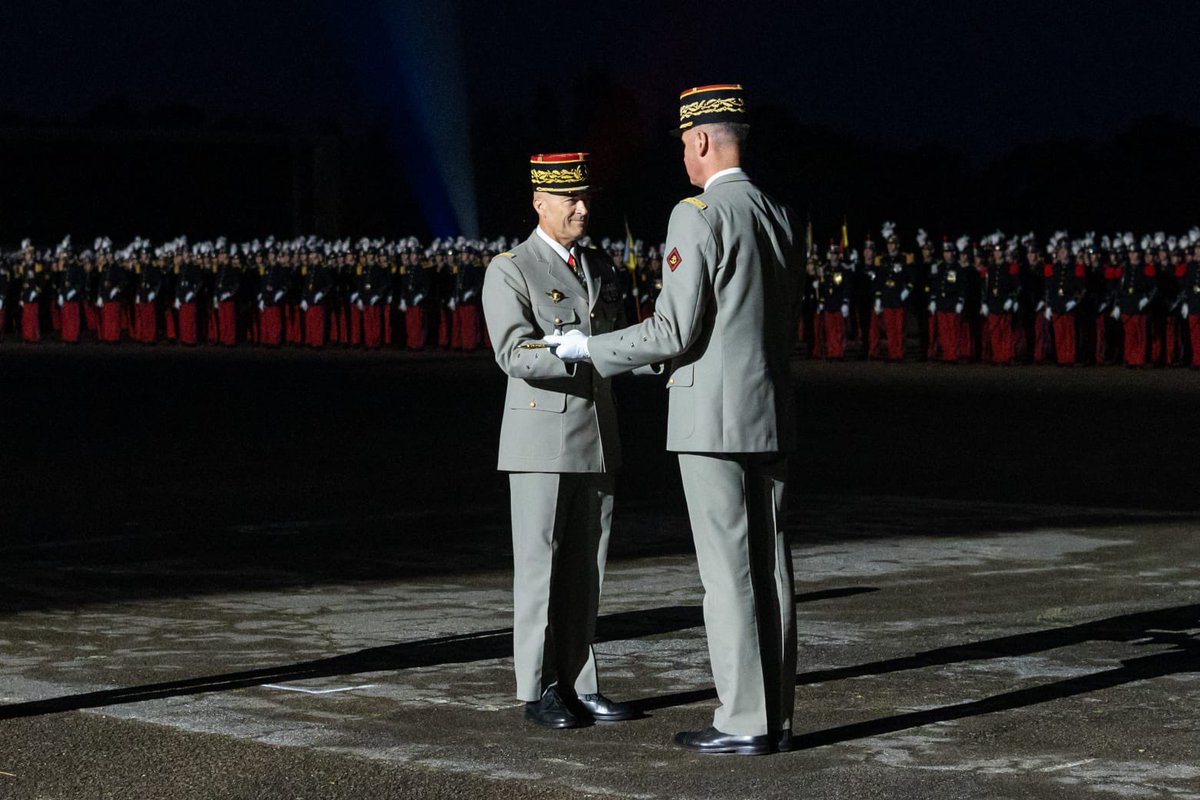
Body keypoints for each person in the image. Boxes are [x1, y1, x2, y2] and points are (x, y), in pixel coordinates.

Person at [544, 84, 799, 755]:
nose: (685, 158)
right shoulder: (776, 212)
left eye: (687, 144)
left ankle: (743, 718)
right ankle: (773, 715)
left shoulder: (698, 213)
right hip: (769, 408)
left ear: (704, 140)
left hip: (711, 418)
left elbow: (675, 329)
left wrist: (591, 349)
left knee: (727, 573)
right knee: (771, 570)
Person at [481, 152, 635, 730]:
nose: (582, 208)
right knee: (541, 567)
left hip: (597, 435)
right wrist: (571, 351)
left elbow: (622, 342)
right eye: (569, 199)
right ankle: (538, 686)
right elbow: (512, 352)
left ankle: (580, 680)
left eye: (586, 197)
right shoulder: (512, 268)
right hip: (542, 436)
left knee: (587, 570)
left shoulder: (600, 264)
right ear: (539, 202)